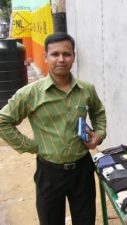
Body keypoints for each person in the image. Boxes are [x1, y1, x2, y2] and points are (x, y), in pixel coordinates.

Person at [0, 32, 106, 225]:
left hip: (82, 170)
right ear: (45, 57)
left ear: (73, 56)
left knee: (86, 220)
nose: (61, 59)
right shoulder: (30, 93)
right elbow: (3, 121)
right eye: (55, 54)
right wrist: (31, 146)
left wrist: (99, 134)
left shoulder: (86, 89)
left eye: (66, 54)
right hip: (49, 172)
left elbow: (98, 112)